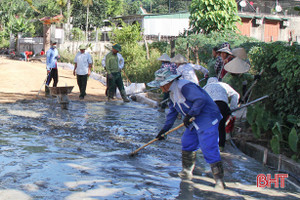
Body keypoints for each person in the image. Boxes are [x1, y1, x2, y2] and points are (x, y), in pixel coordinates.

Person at [147, 67, 225, 189]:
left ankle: (219, 180)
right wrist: (164, 130)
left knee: (208, 146)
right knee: (187, 142)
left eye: (160, 85)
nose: (160, 88)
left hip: (207, 118)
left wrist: (190, 114)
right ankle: (187, 171)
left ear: (167, 83)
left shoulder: (185, 87)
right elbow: (172, 113)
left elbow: (201, 99)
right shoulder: (172, 94)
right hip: (193, 120)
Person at [203, 77, 240, 151]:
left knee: (210, 125)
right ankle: (221, 146)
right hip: (223, 105)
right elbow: (235, 94)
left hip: (211, 105)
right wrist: (232, 108)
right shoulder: (223, 85)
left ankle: (209, 145)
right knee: (221, 125)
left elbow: (200, 99)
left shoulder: (205, 87)